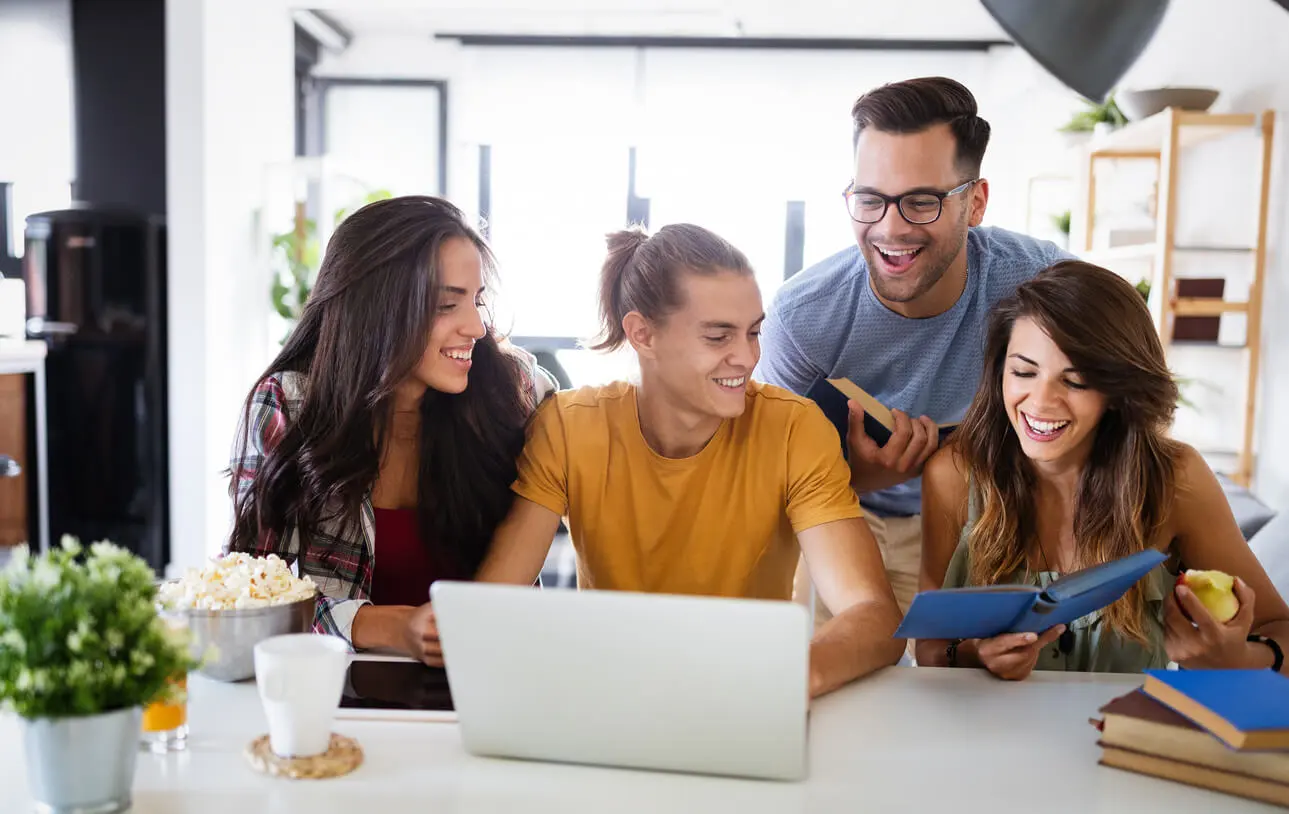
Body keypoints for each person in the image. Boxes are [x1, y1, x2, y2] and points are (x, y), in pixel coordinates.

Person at [474, 223, 906, 698]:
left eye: (753, 333)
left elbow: (873, 614)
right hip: (612, 698)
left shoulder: (794, 430)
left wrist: (795, 677)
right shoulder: (569, 427)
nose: (746, 357)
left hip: (749, 699)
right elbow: (491, 603)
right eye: (719, 337)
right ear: (643, 335)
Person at [755, 76, 1073, 626]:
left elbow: (1108, 409)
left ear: (975, 203)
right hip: (844, 515)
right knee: (829, 691)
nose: (891, 228)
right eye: (871, 200)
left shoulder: (1040, 282)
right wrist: (859, 477)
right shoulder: (804, 316)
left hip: (988, 518)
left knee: (975, 697)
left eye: (921, 202)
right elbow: (758, 473)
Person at [916, 261, 1289, 678]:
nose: (1040, 402)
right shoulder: (953, 475)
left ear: (1117, 389)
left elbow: (1280, 630)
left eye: (1074, 381)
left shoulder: (1175, 480)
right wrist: (975, 656)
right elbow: (930, 648)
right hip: (983, 737)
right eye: (1023, 372)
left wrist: (1237, 659)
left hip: (1124, 737)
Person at [226, 195, 554, 665]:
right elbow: (246, 597)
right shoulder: (288, 408)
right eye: (447, 304)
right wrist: (388, 626)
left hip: (496, 683)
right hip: (342, 698)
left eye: (477, 300)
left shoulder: (512, 389)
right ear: (377, 309)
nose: (476, 327)